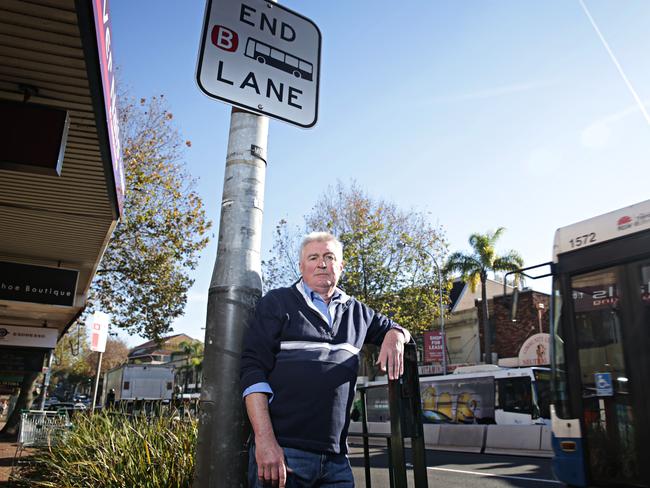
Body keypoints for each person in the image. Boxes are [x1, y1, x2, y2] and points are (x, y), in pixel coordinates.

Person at [241, 232, 411, 487]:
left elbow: (395, 327)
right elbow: (252, 371)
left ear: (340, 266)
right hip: (284, 454)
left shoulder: (358, 312)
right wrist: (265, 442)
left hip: (336, 461)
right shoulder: (277, 303)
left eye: (329, 257)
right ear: (301, 266)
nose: (322, 263)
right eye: (314, 257)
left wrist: (396, 335)